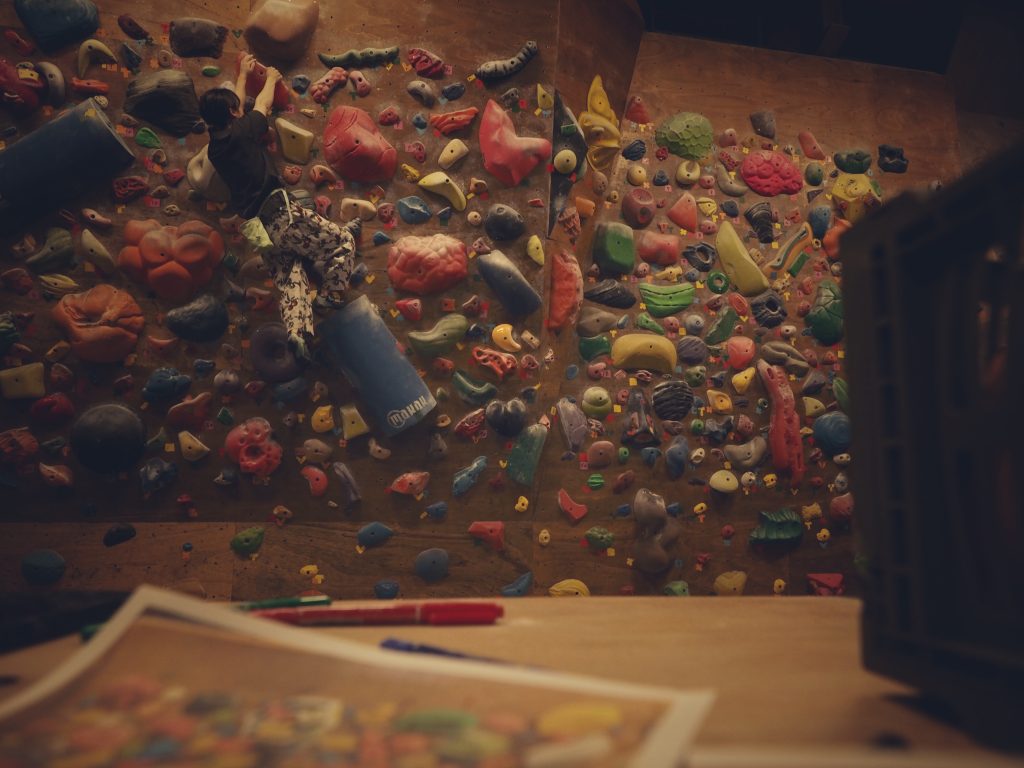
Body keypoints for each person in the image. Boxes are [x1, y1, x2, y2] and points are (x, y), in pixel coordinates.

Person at [198, 53, 360, 363]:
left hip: (255, 228)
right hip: (279, 213)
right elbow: (261, 105)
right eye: (235, 108)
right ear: (232, 112)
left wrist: (243, 75)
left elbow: (237, 109)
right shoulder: (244, 129)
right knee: (342, 240)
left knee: (290, 277)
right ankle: (330, 295)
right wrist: (271, 78)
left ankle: (297, 333)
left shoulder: (216, 147)